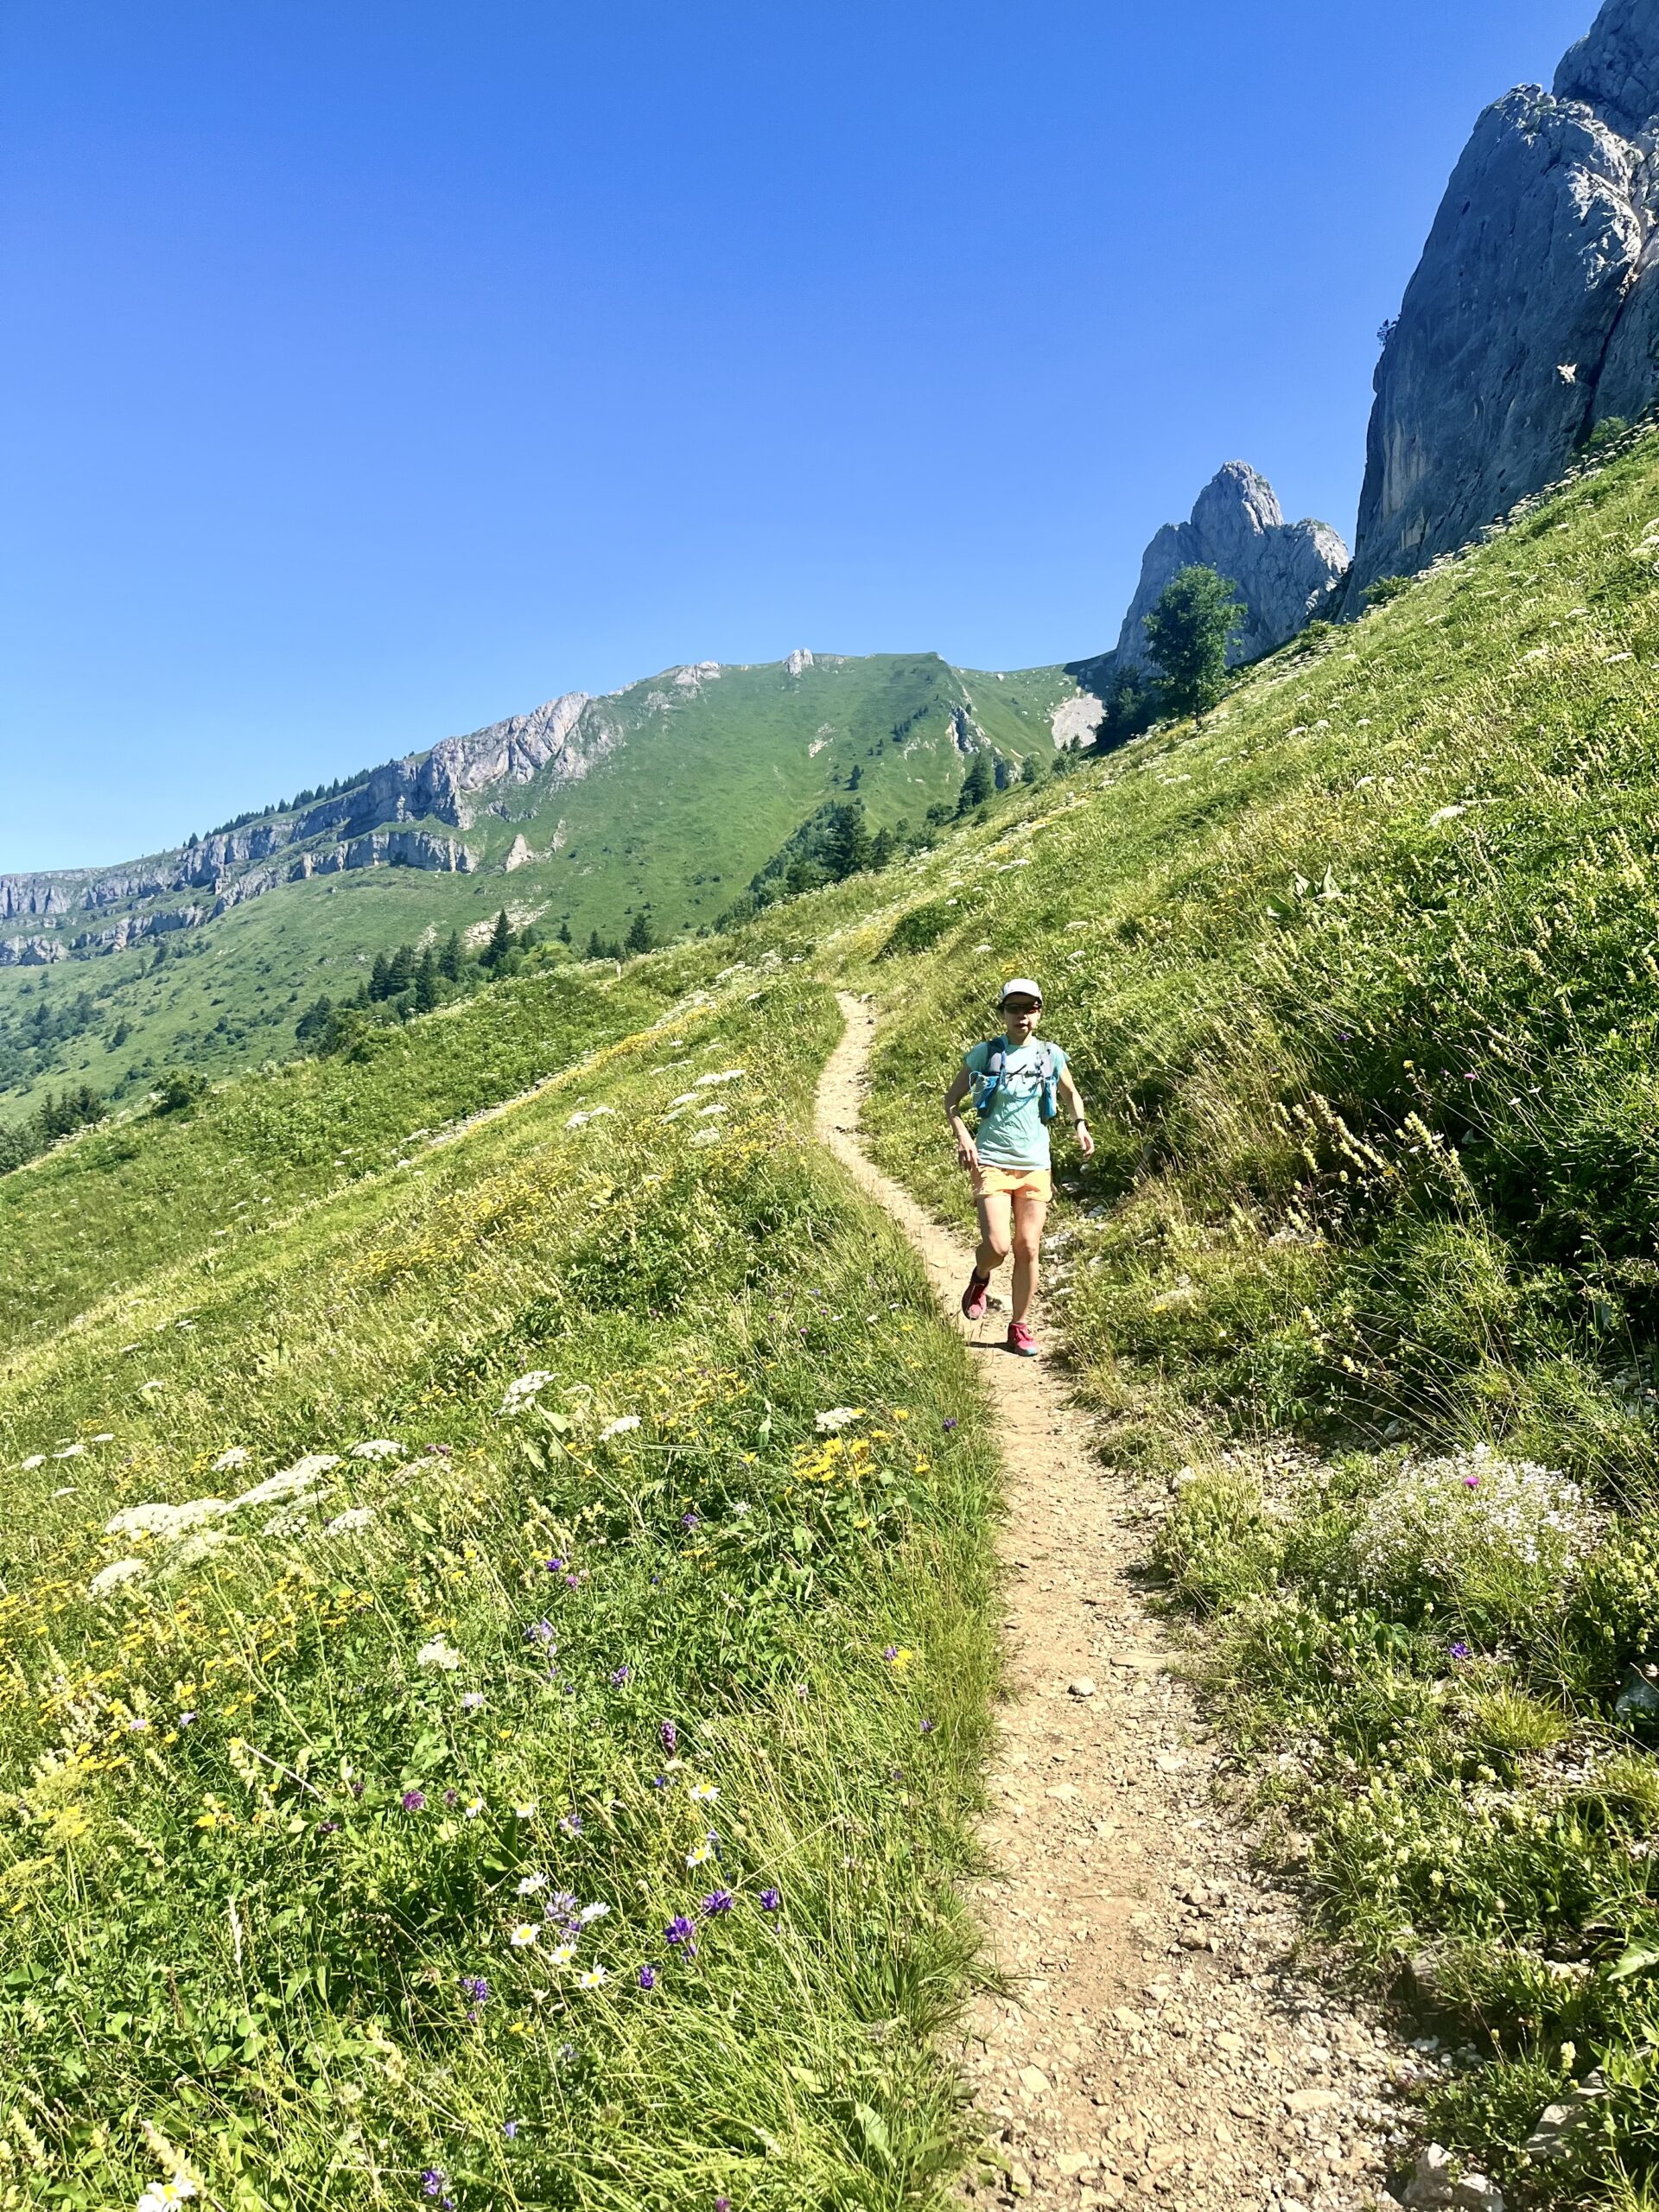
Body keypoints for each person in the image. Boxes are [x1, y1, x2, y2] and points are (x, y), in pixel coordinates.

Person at [944, 977, 1093, 1357]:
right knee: (997, 1246)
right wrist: (964, 1137)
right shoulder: (986, 1053)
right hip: (991, 1159)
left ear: (1039, 1012)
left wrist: (1080, 1124)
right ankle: (981, 1277)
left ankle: (1019, 1327)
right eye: (1013, 1008)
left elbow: (1070, 1092)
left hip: (1035, 1164)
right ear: (1003, 1013)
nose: (1021, 1015)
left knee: (1028, 1247)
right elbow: (951, 1101)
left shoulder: (1050, 1055)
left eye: (1029, 1008)